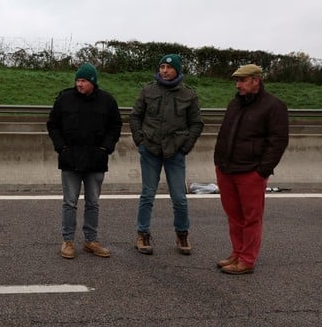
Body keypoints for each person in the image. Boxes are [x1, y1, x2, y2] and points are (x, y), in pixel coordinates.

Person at [213, 64, 289, 275]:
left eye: (242, 80)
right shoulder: (235, 104)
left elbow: (278, 142)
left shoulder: (274, 106)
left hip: (250, 172)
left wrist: (262, 171)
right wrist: (218, 162)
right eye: (237, 81)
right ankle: (237, 253)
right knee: (234, 216)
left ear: (256, 80)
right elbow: (225, 134)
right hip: (226, 169)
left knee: (251, 218)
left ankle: (247, 259)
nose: (238, 85)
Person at [129, 54, 204, 255]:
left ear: (177, 70)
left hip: (175, 152)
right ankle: (142, 234)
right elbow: (135, 116)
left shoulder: (189, 95)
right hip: (150, 150)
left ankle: (182, 234)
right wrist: (140, 140)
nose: (164, 70)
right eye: (161, 66)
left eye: (168, 68)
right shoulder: (148, 90)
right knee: (147, 194)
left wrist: (185, 147)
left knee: (179, 197)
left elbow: (196, 123)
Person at [46, 63, 122, 260]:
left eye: (83, 81)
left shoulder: (107, 101)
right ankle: (68, 241)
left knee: (93, 203)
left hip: (96, 161)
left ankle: (91, 240)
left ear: (93, 82)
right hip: (70, 160)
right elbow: (52, 124)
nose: (79, 84)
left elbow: (115, 126)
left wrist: (106, 148)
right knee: (69, 203)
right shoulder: (65, 99)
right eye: (77, 80)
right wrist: (61, 147)